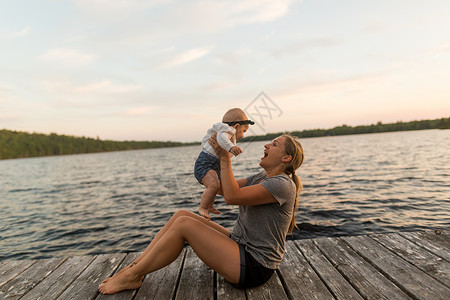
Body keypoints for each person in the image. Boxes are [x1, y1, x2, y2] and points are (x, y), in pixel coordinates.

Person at [98, 133, 304, 294]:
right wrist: (209, 163)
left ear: (286, 158)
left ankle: (132, 275)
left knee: (184, 226)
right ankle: (135, 267)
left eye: (274, 144)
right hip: (240, 245)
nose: (267, 146)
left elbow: (232, 197)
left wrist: (225, 156)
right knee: (181, 215)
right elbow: (224, 188)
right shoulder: (260, 177)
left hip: (255, 266)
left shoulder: (282, 184)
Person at [194, 108, 254, 219]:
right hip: (206, 163)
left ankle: (210, 205)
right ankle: (203, 207)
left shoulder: (227, 133)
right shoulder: (226, 131)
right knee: (213, 185)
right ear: (236, 126)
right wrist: (231, 147)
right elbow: (221, 138)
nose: (243, 135)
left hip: (215, 164)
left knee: (218, 186)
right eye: (244, 131)